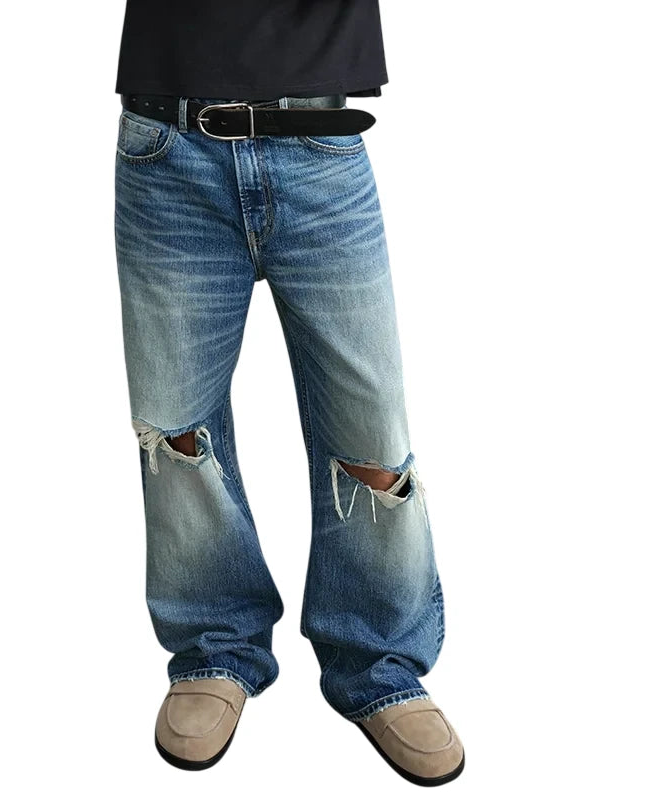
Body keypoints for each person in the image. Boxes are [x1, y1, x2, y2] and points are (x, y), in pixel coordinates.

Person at [113, 1, 465, 786]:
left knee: (371, 435)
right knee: (176, 427)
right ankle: (213, 648)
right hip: (166, 147)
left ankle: (378, 665)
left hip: (320, 148)